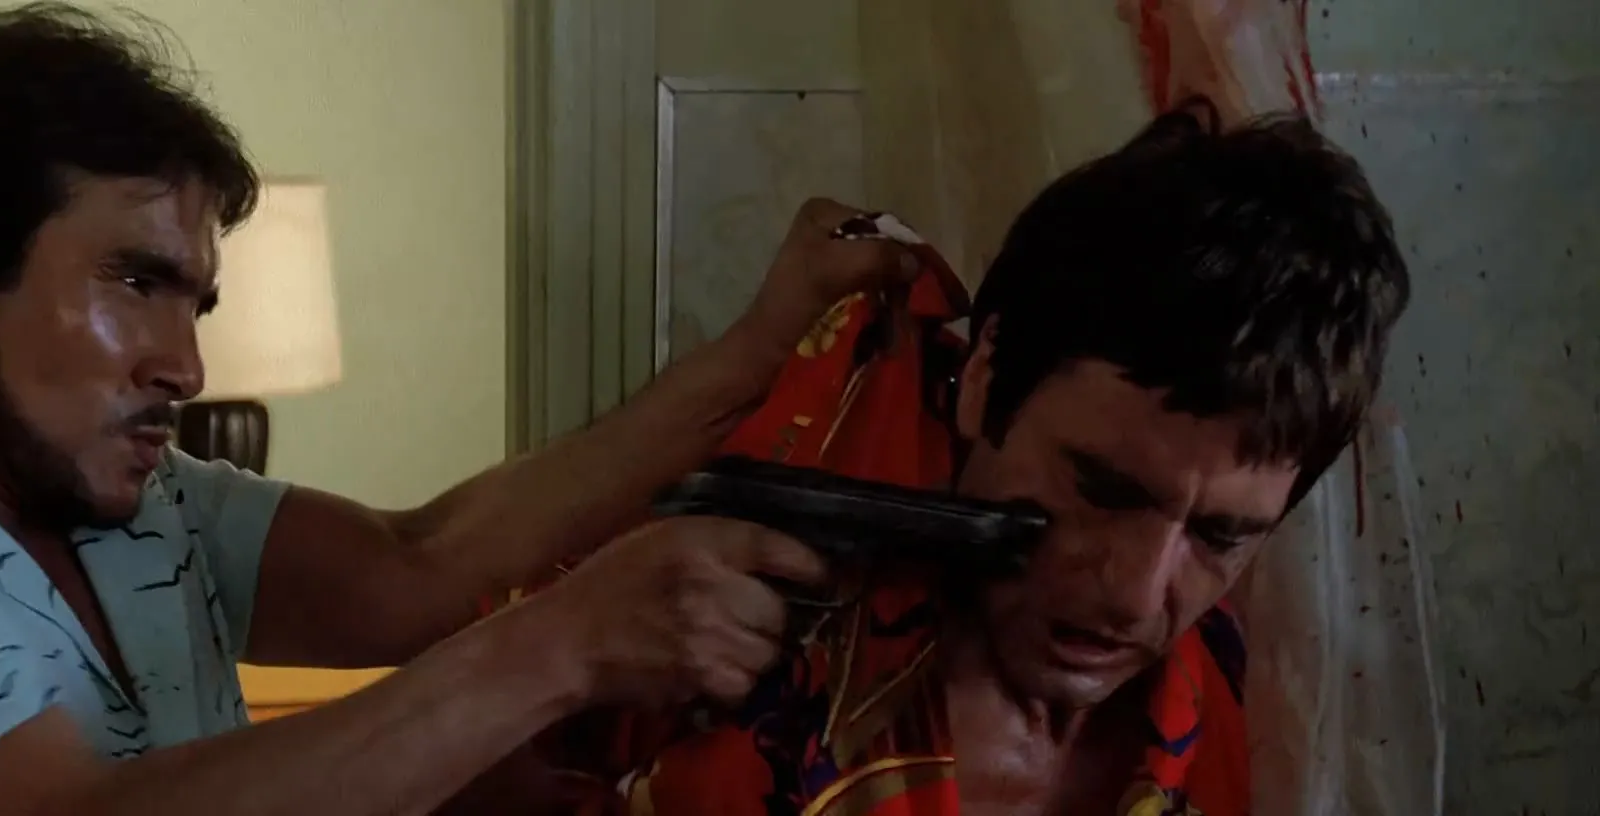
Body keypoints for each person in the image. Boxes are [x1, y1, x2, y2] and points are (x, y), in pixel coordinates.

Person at [0, 5, 917, 816]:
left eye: (197, 303)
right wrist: (560, 647)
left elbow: (416, 564)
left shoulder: (129, 499)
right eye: (134, 282)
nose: (185, 367)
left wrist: (757, 350)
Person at [474, 103, 1413, 815]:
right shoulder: (679, 617)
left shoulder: (1245, 731)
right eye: (1100, 488)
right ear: (984, 377)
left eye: (1220, 536)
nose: (1134, 596)